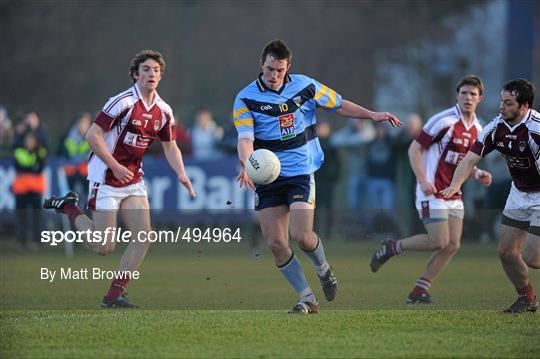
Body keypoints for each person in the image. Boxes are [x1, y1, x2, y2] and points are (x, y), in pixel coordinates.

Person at [233, 39, 401, 314]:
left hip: (300, 170)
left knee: (302, 236)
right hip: (267, 177)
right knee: (276, 244)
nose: (274, 76)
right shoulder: (245, 97)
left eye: (279, 70)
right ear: (260, 64)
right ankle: (307, 299)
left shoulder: (305, 85)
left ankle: (324, 270)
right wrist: (246, 163)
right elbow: (245, 138)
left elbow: (339, 105)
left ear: (288, 67)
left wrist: (372, 115)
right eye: (269, 69)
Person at [43, 50, 195, 308]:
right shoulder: (122, 102)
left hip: (133, 179)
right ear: (136, 74)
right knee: (103, 247)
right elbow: (92, 135)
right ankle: (69, 207)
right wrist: (114, 165)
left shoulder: (163, 110)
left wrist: (181, 172)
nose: (151, 74)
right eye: (146, 69)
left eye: (156, 70)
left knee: (144, 236)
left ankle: (114, 295)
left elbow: (171, 146)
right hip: (105, 176)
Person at [369, 75, 492, 304]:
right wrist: (423, 179)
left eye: (472, 94)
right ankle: (392, 246)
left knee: (453, 244)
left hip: (453, 193)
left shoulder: (478, 127)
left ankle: (418, 291)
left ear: (480, 98)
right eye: (464, 93)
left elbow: (463, 161)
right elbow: (414, 150)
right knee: (438, 241)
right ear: (457, 95)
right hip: (431, 190)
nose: (468, 98)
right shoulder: (442, 120)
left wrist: (477, 174)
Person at [441, 79, 539, 313]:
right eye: (501, 101)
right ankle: (527, 299)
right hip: (519, 192)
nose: (501, 107)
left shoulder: (536, 127)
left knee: (533, 258)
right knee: (506, 252)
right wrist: (456, 184)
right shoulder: (497, 127)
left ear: (524, 106)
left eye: (508, 103)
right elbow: (471, 159)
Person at [12, 130, 47, 250]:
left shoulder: (41, 152)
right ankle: (21, 241)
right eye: (27, 139)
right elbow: (19, 168)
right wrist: (31, 167)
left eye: (32, 139)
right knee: (21, 216)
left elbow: (39, 169)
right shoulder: (18, 152)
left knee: (37, 216)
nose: (29, 141)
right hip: (21, 189)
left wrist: (27, 169)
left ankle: (37, 241)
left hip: (36, 189)